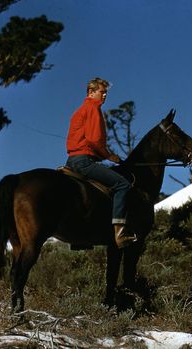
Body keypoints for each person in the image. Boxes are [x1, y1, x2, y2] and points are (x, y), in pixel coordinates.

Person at [65, 77, 137, 248]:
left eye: (106, 93)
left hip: (72, 161)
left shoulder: (79, 110)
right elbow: (94, 140)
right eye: (102, 92)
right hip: (84, 161)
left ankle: (78, 240)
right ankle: (120, 234)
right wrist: (110, 156)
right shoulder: (93, 108)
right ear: (91, 92)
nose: (104, 96)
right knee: (123, 185)